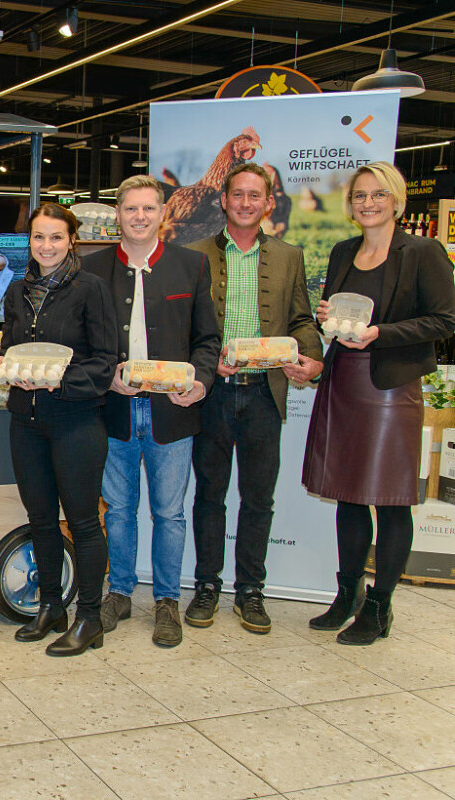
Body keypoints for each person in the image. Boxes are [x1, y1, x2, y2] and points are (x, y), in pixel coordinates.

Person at [302, 161, 455, 645]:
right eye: (360, 196)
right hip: (344, 381)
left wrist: (380, 334)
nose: (368, 203)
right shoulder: (344, 251)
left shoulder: (423, 251)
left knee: (389, 500)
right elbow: (339, 319)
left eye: (378, 195)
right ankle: (347, 595)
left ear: (396, 200)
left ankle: (380, 605)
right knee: (347, 493)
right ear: (351, 205)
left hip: (390, 387)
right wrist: (329, 316)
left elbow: (445, 320)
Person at [184, 164, 324, 633]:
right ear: (223, 199)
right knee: (209, 494)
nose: (245, 203)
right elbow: (184, 327)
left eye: (255, 196)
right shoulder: (194, 255)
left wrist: (310, 355)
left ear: (268, 203)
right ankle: (206, 585)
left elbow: (303, 320)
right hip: (213, 395)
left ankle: (250, 590)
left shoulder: (289, 256)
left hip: (265, 393)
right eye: (237, 194)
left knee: (259, 497)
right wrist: (204, 364)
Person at [82, 174, 220, 648]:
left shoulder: (192, 266)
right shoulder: (93, 269)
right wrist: (106, 378)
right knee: (118, 510)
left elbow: (208, 340)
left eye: (148, 208)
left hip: (172, 412)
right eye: (130, 209)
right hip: (115, 411)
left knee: (169, 512)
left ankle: (166, 601)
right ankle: (119, 591)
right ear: (116, 215)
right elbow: (80, 342)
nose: (139, 217)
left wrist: (200, 382)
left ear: (163, 214)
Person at [0, 204, 118, 656]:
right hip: (25, 420)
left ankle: (88, 617)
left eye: (56, 238)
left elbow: (105, 364)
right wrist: (1, 368)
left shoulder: (92, 290)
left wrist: (60, 379)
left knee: (83, 522)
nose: (46, 247)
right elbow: (5, 349)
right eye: (38, 238)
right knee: (40, 519)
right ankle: (50, 606)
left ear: (71, 241)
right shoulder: (16, 290)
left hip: (76, 423)